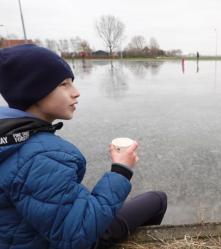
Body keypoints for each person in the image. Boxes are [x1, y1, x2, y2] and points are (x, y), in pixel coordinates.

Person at [0, 44, 167, 249]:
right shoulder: (41, 155)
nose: (76, 92)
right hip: (66, 238)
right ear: (33, 90)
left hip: (20, 236)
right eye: (64, 84)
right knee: (157, 200)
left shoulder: (9, 133)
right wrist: (121, 171)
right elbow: (76, 236)